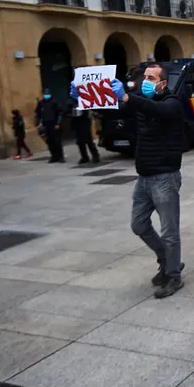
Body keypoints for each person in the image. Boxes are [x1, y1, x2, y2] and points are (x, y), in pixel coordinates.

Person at [72, 63, 186, 298]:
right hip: (143, 178)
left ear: (163, 83)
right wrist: (86, 97)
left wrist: (127, 97)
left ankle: (173, 276)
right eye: (144, 77)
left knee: (169, 231)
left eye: (151, 78)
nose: (145, 81)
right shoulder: (141, 103)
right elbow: (116, 109)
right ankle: (166, 258)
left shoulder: (172, 103)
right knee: (138, 225)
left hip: (165, 177)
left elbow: (158, 111)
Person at [35, 88, 65, 163]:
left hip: (54, 124)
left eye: (47, 94)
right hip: (46, 125)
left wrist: (58, 123)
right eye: (45, 94)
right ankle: (54, 156)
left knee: (57, 142)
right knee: (49, 141)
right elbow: (38, 114)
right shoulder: (41, 103)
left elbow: (60, 113)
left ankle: (60, 157)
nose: (46, 95)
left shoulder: (55, 102)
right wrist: (37, 123)